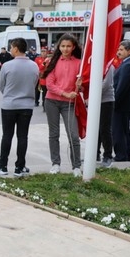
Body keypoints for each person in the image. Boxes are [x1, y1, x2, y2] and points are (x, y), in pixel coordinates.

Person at [0, 38, 39, 176]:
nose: (10, 50)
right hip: (27, 105)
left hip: (9, 105)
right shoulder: (34, 65)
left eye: (11, 47)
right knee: (23, 136)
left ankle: (3, 166)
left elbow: (2, 86)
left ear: (16, 48)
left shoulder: (7, 65)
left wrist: (9, 95)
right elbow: (34, 83)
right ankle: (20, 167)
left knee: (7, 135)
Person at [43, 34, 82, 175]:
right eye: (63, 46)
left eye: (68, 46)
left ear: (73, 47)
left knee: (73, 135)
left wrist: (80, 86)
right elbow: (50, 84)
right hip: (52, 101)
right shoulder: (52, 62)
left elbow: (82, 86)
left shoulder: (79, 63)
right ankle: (55, 163)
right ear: (58, 47)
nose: (65, 49)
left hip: (69, 104)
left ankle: (76, 166)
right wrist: (65, 93)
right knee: (54, 134)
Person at [113, 40, 130, 162]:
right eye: (118, 49)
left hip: (123, 104)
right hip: (126, 103)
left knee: (118, 129)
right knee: (123, 129)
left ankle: (121, 155)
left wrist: (114, 103)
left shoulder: (129, 65)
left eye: (121, 49)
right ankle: (125, 154)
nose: (118, 52)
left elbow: (122, 87)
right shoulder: (128, 63)